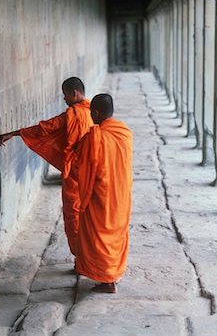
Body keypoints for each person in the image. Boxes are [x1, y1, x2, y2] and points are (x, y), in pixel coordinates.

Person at [0, 77, 92, 256]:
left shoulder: (73, 114)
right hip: (92, 176)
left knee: (74, 216)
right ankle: (89, 258)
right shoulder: (93, 112)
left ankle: (82, 258)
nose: (64, 100)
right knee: (90, 217)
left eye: (65, 95)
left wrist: (14, 133)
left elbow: (44, 129)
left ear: (74, 93)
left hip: (75, 175)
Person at [72, 93, 133, 293]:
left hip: (100, 195)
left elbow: (85, 167)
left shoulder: (95, 137)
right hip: (120, 193)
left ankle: (107, 280)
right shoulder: (124, 132)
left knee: (98, 236)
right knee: (115, 234)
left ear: (96, 113)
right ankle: (112, 274)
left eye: (91, 113)